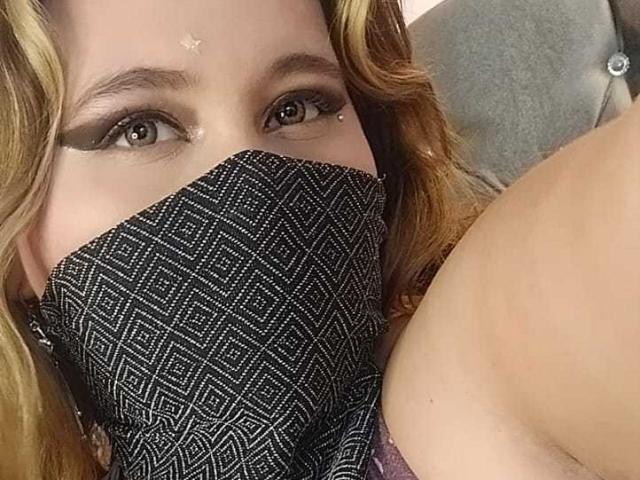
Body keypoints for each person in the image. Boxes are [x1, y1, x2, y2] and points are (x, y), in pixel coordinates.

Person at [0, 0, 637, 479]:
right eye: (139, 128)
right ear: (19, 232)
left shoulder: (459, 388)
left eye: (297, 106)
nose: (249, 177)